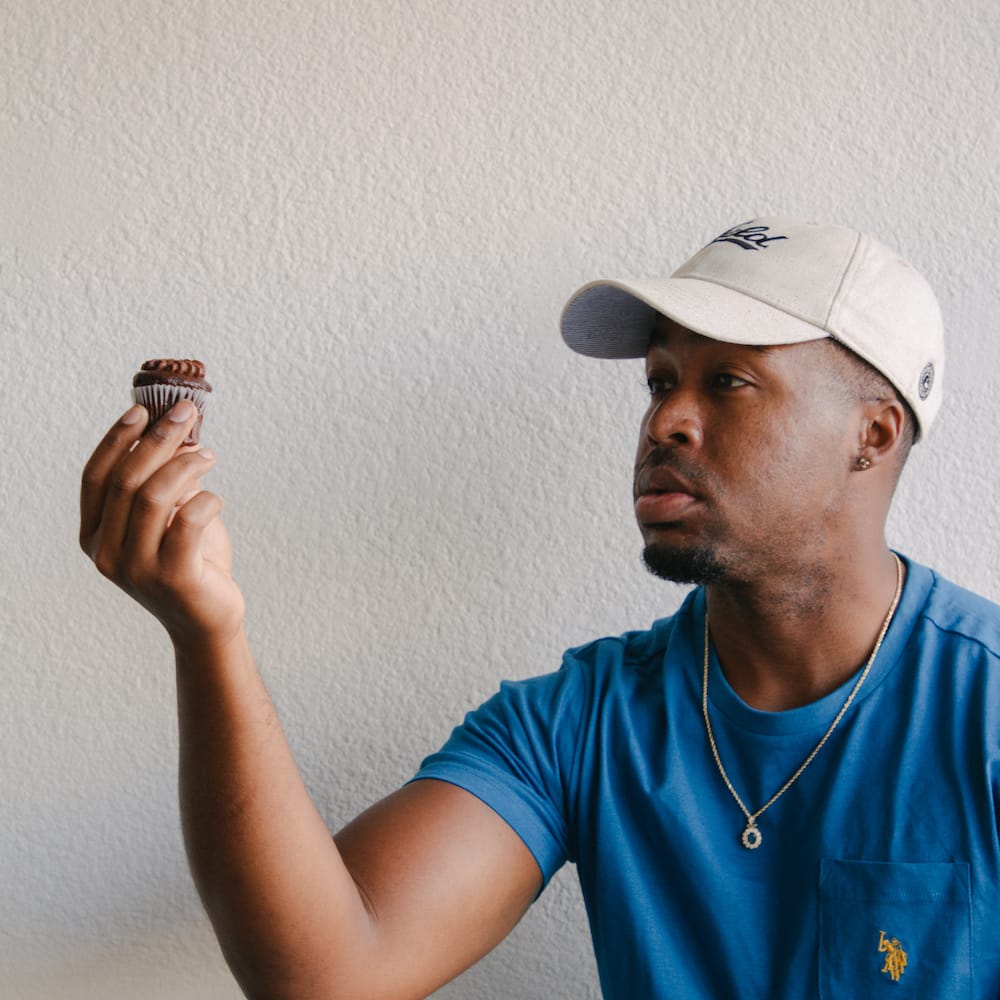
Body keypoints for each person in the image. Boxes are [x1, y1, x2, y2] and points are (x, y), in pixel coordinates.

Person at [80, 217, 1000, 998]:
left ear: (871, 436)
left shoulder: (984, 709)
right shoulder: (580, 719)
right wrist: (208, 633)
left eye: (727, 382)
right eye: (659, 380)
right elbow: (329, 972)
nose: (666, 419)